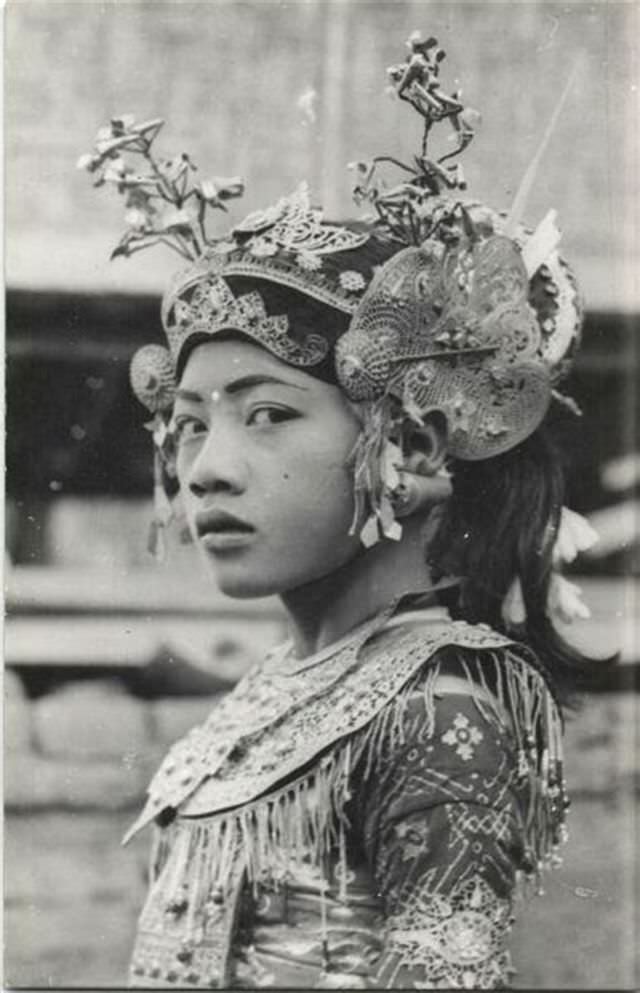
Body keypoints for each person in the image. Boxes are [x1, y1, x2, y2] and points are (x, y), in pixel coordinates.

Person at [81, 33, 600, 990]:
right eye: (189, 426)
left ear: (413, 450)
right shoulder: (276, 692)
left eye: (268, 415)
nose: (205, 471)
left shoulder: (438, 709)